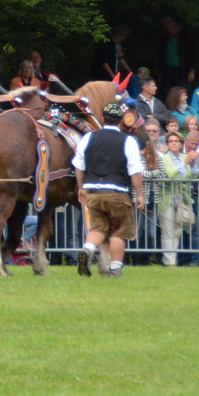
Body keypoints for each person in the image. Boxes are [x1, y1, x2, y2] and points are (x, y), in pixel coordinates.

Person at [73, 101, 146, 277]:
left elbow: (78, 164)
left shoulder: (89, 137)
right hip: (118, 192)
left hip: (93, 192)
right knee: (118, 232)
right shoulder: (128, 141)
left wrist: (81, 187)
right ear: (121, 120)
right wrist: (140, 195)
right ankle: (115, 269)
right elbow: (135, 171)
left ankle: (88, 250)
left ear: (102, 118)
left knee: (97, 229)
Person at [154, 131, 196, 267]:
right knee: (168, 230)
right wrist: (185, 163)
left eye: (176, 141)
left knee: (177, 230)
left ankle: (173, 259)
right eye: (171, 141)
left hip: (182, 197)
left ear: (181, 144)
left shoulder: (185, 156)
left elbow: (191, 177)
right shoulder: (164, 158)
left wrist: (193, 163)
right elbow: (170, 174)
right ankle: (169, 261)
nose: (173, 143)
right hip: (167, 198)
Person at [156, 16, 198, 91]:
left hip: (183, 70)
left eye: (169, 30)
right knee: (167, 91)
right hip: (168, 70)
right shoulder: (164, 38)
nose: (167, 32)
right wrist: (160, 72)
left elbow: (193, 54)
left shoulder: (186, 36)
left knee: (182, 92)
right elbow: (161, 55)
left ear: (174, 27)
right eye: (166, 30)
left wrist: (192, 70)